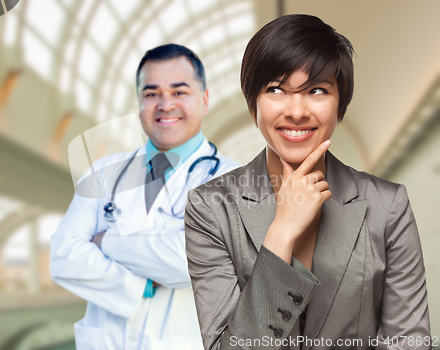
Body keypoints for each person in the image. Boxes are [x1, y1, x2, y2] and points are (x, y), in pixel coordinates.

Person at [184, 14, 431, 350]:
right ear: (252, 102)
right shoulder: (210, 208)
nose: (297, 111)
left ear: (340, 102)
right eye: (276, 89)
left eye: (317, 90)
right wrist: (281, 233)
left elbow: (409, 342)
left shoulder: (388, 206)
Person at [50, 44, 240, 349]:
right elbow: (63, 256)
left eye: (180, 92)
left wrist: (103, 243)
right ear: (139, 103)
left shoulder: (234, 181)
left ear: (204, 100)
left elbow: (190, 261)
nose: (165, 105)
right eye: (152, 94)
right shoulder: (103, 173)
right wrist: (144, 285)